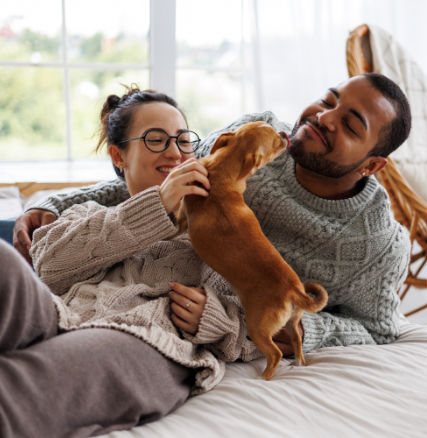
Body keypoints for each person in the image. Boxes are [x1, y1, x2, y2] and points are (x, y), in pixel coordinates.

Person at [14, 73, 413, 356]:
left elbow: (376, 329)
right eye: (329, 100)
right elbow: (170, 180)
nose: (324, 117)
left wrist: (255, 324)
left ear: (371, 165)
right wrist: (51, 204)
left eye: (349, 124)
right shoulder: (256, 136)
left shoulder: (379, 245)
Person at [0, 87, 264, 438]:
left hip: (145, 341)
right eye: (156, 140)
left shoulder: (216, 235)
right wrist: (158, 203)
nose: (174, 151)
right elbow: (47, 267)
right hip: (59, 316)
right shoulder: (88, 214)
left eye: (183, 141)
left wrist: (216, 319)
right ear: (118, 156)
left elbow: (262, 321)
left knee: (21, 386)